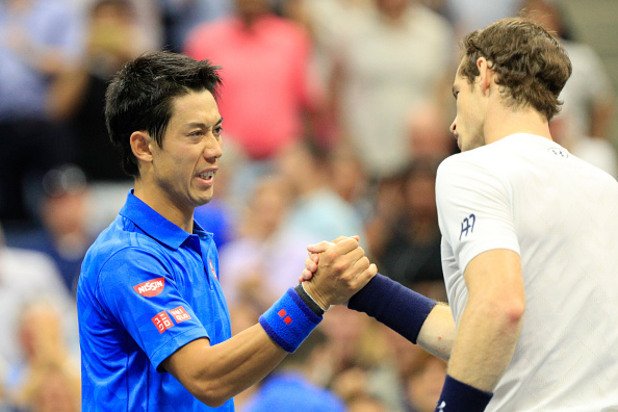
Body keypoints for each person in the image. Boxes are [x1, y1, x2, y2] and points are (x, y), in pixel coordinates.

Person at [304, 18, 618, 410]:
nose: (453, 122)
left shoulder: (470, 169)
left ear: (484, 73)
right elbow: (477, 335)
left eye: (457, 94)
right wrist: (364, 289)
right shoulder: (605, 186)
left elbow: (498, 307)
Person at [76, 50, 377, 410]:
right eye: (195, 134)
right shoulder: (127, 257)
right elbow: (207, 377)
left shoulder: (198, 243)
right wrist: (310, 298)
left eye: (216, 130)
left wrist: (306, 296)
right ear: (143, 146)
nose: (216, 149)